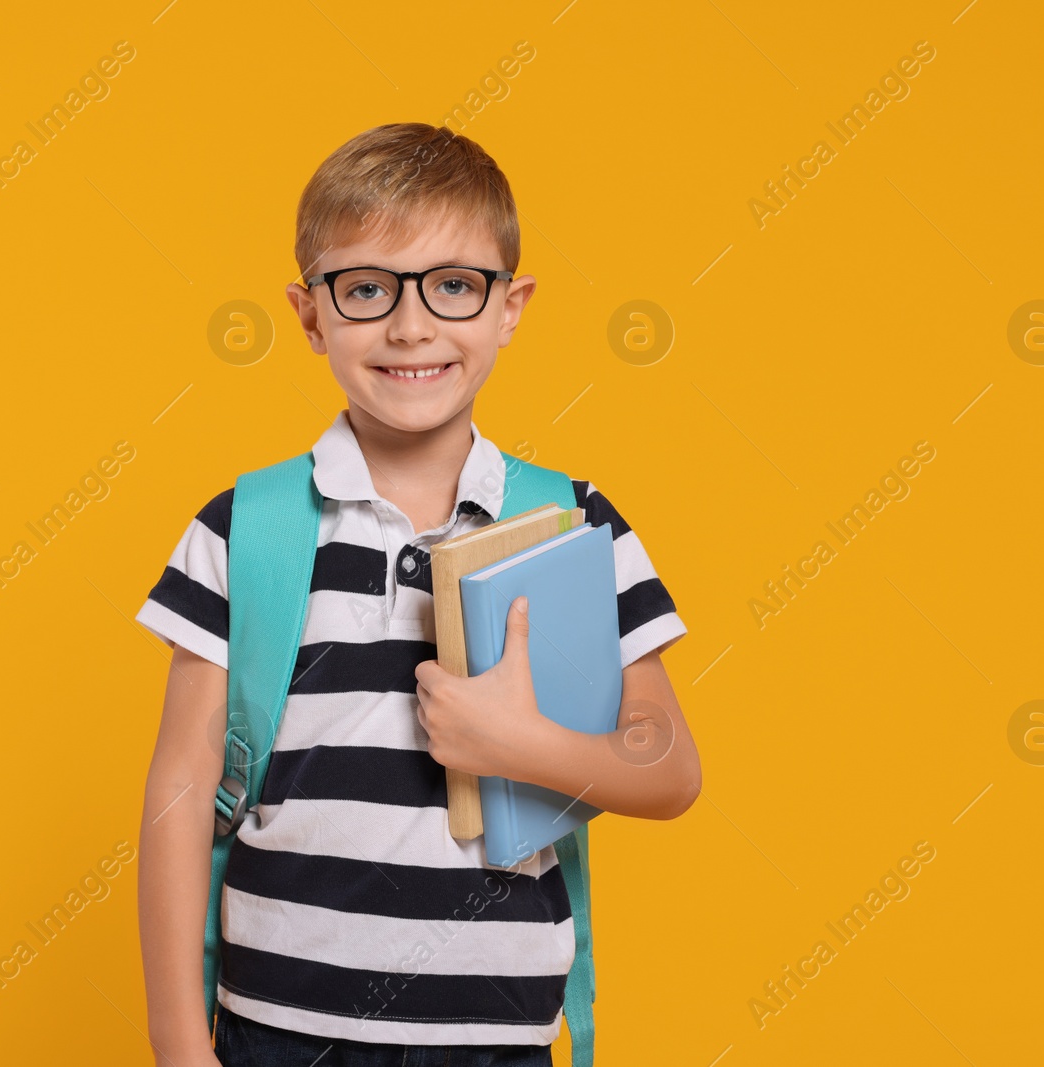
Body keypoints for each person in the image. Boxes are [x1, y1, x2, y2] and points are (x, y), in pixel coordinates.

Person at [134, 121, 701, 1067]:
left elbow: (668, 768)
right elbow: (183, 785)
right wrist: (177, 1041)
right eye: (364, 290)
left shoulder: (575, 524)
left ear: (511, 306)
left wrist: (524, 745)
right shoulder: (248, 526)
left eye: (453, 285)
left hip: (493, 1037)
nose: (411, 326)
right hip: (278, 1031)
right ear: (310, 315)